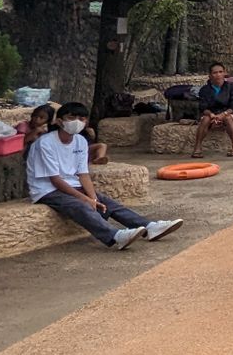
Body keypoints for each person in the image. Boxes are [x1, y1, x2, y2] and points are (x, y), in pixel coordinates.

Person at [27, 102, 181, 249]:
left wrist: (93, 198)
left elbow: (83, 174)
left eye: (81, 119)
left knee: (107, 202)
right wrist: (85, 199)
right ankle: (115, 236)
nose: (77, 122)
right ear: (60, 122)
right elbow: (55, 180)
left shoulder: (80, 141)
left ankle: (149, 227)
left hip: (71, 184)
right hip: (46, 190)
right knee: (79, 205)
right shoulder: (45, 143)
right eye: (71, 118)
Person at [192, 62, 233, 158]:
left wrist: (223, 114)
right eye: (215, 73)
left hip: (227, 112)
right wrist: (211, 115)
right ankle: (197, 148)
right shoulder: (205, 89)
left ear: (224, 73)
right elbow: (203, 106)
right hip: (211, 114)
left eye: (220, 72)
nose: (218, 75)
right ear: (210, 75)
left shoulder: (231, 87)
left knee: (228, 118)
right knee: (205, 119)